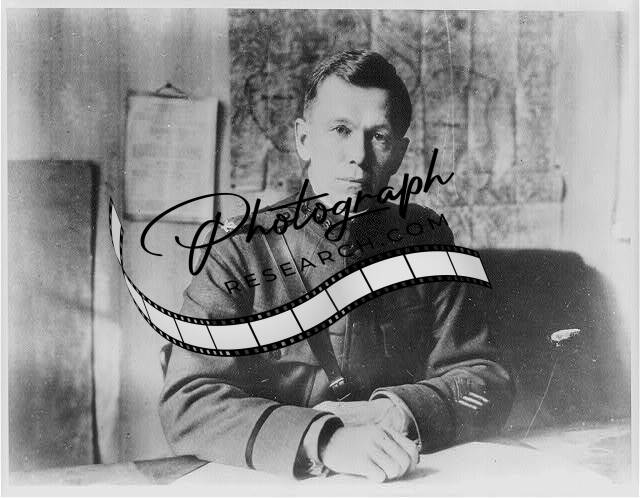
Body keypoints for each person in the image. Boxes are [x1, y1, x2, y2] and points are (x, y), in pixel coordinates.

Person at [159, 50, 514, 482]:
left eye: (378, 136)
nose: (358, 157)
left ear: (399, 153)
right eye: (341, 130)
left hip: (401, 475)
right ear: (303, 140)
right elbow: (188, 401)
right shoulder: (239, 249)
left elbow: (487, 379)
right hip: (282, 481)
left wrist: (397, 411)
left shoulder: (427, 239)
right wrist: (324, 439)